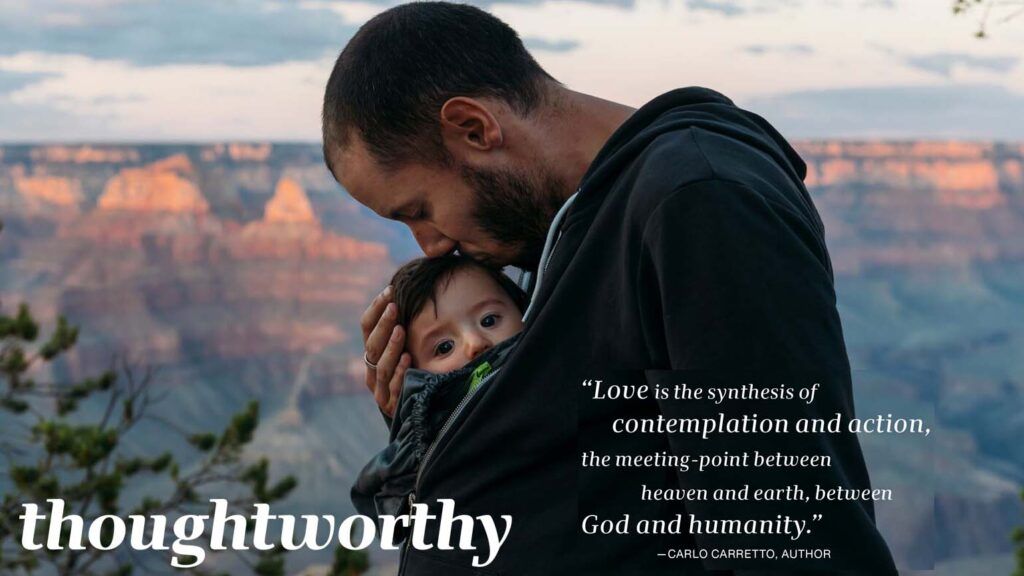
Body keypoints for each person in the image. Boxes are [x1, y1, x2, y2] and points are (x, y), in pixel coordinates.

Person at [322, 2, 898, 574]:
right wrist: (445, 418)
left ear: (474, 128)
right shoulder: (572, 225)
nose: (429, 245)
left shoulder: (700, 199)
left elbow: (782, 530)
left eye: (419, 210)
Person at [351, 254, 527, 526]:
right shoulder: (416, 457)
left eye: (490, 320)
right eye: (444, 347)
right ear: (414, 376)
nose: (475, 343)